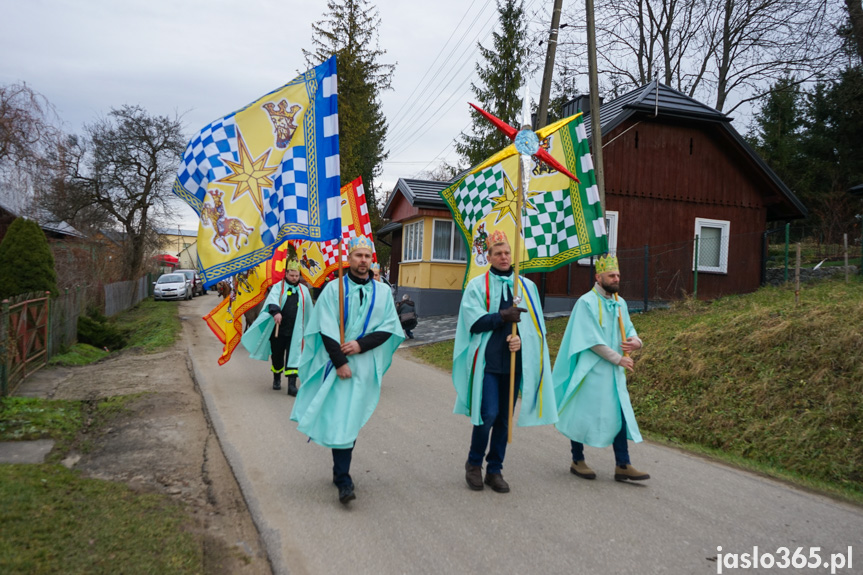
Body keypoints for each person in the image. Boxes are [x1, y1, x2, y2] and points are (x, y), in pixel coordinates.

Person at [290, 236, 404, 504]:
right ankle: (343, 479)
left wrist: (361, 345)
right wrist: (340, 361)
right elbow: (325, 327)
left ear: (371, 260)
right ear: (349, 258)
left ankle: (339, 471)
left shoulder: (383, 292)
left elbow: (389, 327)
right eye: (357, 256)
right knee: (344, 417)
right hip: (339, 364)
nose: (362, 260)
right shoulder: (333, 290)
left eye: (367, 256)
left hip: (364, 365)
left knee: (351, 419)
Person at [452, 229, 558, 493]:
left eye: (507, 253)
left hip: (513, 364)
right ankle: (474, 464)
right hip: (487, 364)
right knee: (487, 414)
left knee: (504, 419)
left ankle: (495, 469)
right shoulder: (477, 287)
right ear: (488, 256)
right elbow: (474, 323)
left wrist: (521, 340)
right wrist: (502, 316)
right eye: (498, 253)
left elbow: (535, 330)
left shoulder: (527, 287)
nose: (503, 257)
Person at [551, 254, 649, 482]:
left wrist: (637, 342)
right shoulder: (586, 302)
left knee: (620, 414)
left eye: (618, 275)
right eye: (611, 275)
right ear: (598, 276)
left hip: (613, 373)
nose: (616, 279)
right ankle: (578, 459)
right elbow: (591, 340)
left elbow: (630, 329)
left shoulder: (619, 302)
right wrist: (618, 359)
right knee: (580, 412)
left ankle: (623, 464)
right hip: (591, 371)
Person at [241, 260, 313, 396]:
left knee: (295, 355)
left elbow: (310, 309)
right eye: (291, 275)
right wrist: (276, 312)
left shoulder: (304, 290)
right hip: (278, 329)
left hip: (296, 330)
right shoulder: (279, 287)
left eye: (297, 276)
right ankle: (276, 377)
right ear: (286, 274)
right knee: (277, 356)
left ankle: (292, 385)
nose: (294, 278)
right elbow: (272, 301)